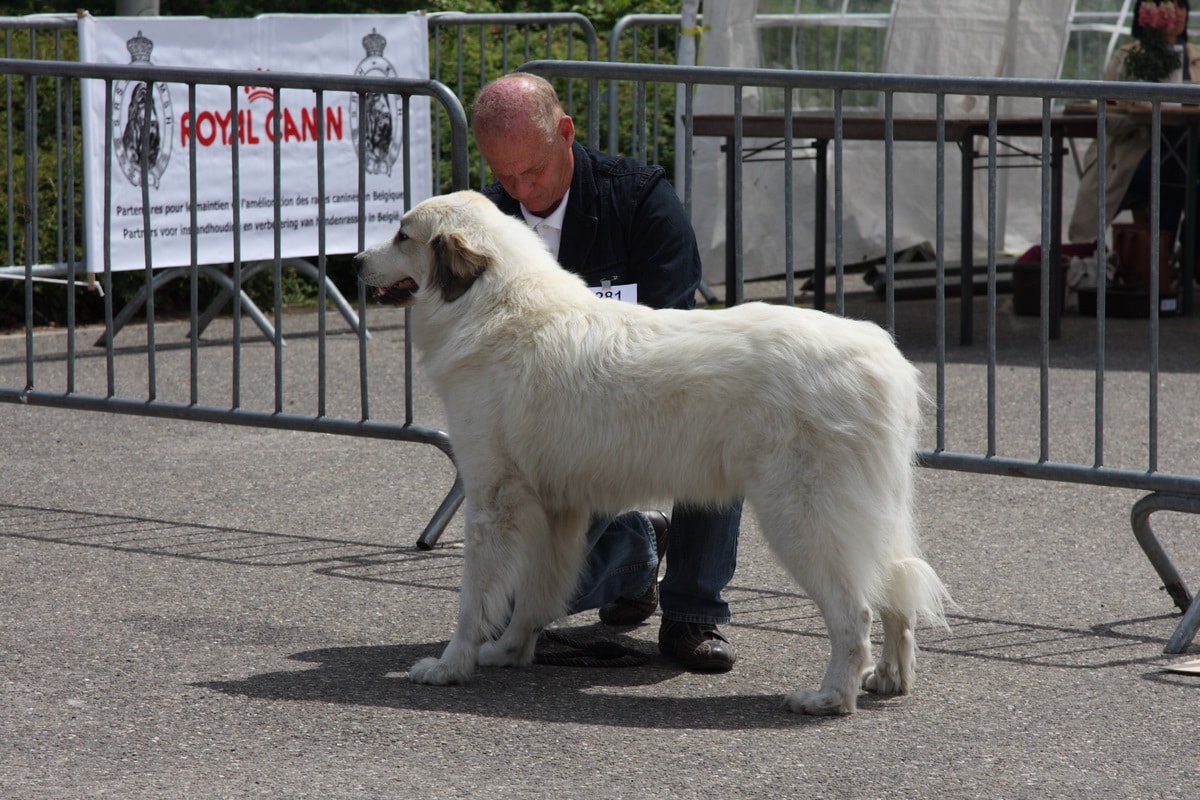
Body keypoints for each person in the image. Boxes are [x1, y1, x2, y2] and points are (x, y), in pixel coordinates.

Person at [470, 72, 743, 672]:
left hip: (653, 402)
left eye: (533, 170)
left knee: (727, 427)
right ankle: (639, 548)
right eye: (504, 175)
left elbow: (672, 325)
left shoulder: (642, 198)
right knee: (514, 607)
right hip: (554, 438)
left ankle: (694, 614)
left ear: (565, 133)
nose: (521, 189)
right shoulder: (485, 221)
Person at [1068, 0, 1200, 287]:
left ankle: (1171, 261)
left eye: (1181, 5)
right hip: (1135, 154)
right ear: (1147, 16)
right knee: (1175, 172)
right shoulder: (1127, 58)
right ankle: (1163, 263)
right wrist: (1141, 112)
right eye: (1167, 5)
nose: (1175, 13)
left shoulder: (1198, 58)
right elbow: (1109, 114)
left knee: (1183, 166)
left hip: (1189, 151)